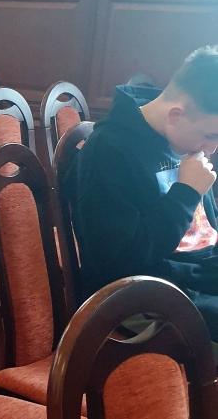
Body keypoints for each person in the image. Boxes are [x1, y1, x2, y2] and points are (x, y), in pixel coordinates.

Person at [69, 46, 218, 342]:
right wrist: (186, 193)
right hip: (141, 299)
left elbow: (205, 235)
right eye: (210, 135)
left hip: (196, 278)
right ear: (175, 114)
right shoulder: (108, 153)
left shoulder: (182, 139)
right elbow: (117, 261)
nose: (212, 148)